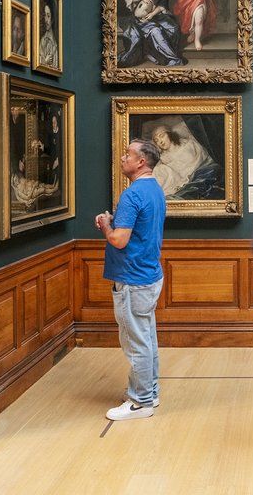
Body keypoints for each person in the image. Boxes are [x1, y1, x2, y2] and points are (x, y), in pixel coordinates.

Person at [94, 138, 166, 421]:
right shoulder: (155, 189)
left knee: (136, 341)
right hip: (148, 274)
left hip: (133, 278)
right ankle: (150, 392)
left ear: (141, 162)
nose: (123, 158)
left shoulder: (132, 194)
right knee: (146, 337)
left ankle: (140, 402)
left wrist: (105, 224)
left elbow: (119, 240)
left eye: (128, 154)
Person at [150, 125, 216, 198]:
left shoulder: (189, 145)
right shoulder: (163, 159)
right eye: (157, 140)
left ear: (169, 134)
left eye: (162, 136)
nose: (160, 141)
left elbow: (200, 156)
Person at [38, 2, 59, 68]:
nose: (46, 20)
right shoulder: (42, 40)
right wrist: (45, 61)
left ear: (52, 19)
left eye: (48, 16)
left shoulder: (55, 43)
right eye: (45, 15)